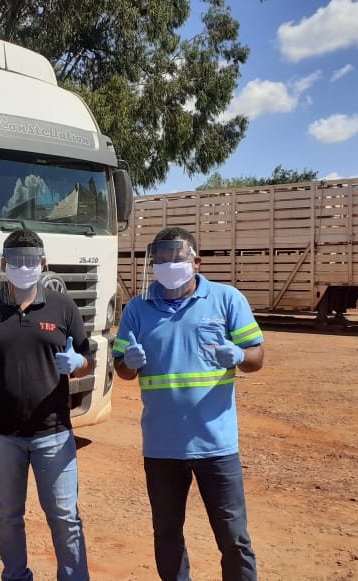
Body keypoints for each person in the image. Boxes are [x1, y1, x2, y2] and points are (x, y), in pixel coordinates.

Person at [111, 226, 265, 581]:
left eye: (176, 258)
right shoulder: (137, 308)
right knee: (166, 534)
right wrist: (127, 363)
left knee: (233, 538)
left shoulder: (227, 300)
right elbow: (123, 371)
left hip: (216, 445)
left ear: (196, 261)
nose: (167, 265)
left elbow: (257, 358)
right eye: (160, 260)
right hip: (162, 447)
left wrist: (240, 353)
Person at [0, 229, 93, 581]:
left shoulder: (64, 308)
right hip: (0, 434)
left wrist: (78, 364)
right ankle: (15, 576)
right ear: (4, 264)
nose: (24, 267)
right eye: (16, 261)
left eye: (31, 261)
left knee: (64, 516)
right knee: (8, 514)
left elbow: (86, 356)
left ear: (43, 264)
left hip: (54, 432)